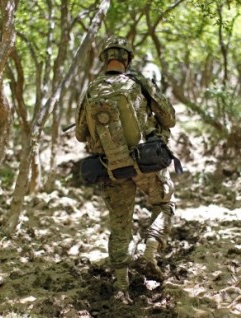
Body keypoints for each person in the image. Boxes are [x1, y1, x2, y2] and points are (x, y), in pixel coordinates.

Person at [75, 36, 177, 304]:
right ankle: (150, 251)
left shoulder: (91, 90)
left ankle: (121, 287)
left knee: (119, 225)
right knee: (164, 204)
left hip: (111, 168)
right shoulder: (139, 82)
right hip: (147, 163)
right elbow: (169, 118)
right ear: (128, 59)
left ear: (104, 59)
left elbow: (79, 134)